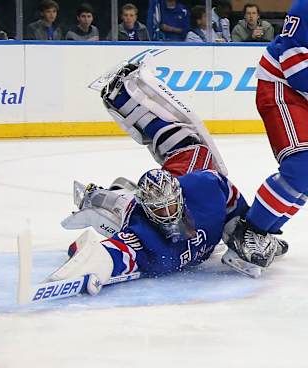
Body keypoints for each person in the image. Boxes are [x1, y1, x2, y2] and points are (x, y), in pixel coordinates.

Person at [46, 57, 288, 286]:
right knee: (124, 202)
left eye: (171, 206)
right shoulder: (146, 240)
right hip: (134, 207)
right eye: (160, 210)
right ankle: (94, 195)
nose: (168, 214)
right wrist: (81, 267)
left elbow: (223, 188)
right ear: (148, 211)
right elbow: (107, 254)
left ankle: (123, 98)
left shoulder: (201, 188)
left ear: (179, 194)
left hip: (157, 199)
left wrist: (247, 229)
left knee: (194, 149)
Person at [223, 0, 308, 270]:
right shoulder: (305, 7)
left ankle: (264, 231)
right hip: (282, 88)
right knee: (300, 166)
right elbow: (295, 69)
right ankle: (249, 231)